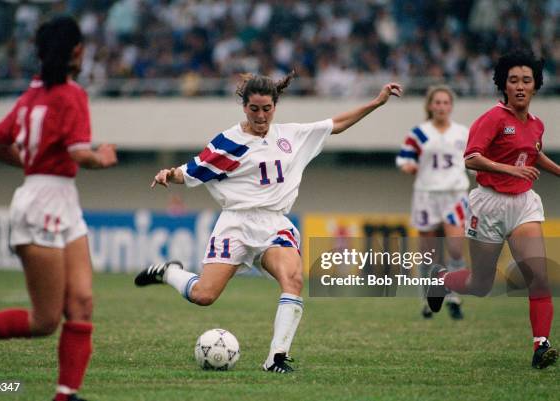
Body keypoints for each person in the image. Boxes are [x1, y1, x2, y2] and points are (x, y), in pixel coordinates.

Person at [134, 72, 402, 373]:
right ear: (244, 107)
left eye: (267, 109)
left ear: (275, 106)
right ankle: (170, 272)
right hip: (235, 224)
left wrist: (376, 103)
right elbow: (192, 170)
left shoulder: (291, 136)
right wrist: (169, 174)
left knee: (294, 279)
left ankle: (276, 358)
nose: (261, 116)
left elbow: (336, 124)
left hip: (274, 224)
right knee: (203, 296)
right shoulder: (228, 143)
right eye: (254, 109)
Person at [0, 16, 117, 401]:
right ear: (77, 51)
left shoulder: (31, 95)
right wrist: (101, 157)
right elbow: (78, 153)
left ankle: (65, 395)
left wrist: (31, 162)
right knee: (44, 321)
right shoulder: (70, 94)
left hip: (59, 198)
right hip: (43, 202)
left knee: (82, 302)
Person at [426, 49, 560, 369]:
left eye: (526, 80)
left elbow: (534, 153)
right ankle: (442, 280)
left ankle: (541, 345)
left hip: (524, 203)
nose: (520, 85)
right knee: (481, 284)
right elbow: (471, 158)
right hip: (488, 203)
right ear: (504, 84)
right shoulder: (492, 119)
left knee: (539, 276)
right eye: (513, 80)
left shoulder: (537, 124)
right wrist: (512, 170)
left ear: (535, 85)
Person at [396, 85, 470, 320]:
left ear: (451, 106)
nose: (441, 107)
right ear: (429, 106)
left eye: (445, 102)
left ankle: (453, 297)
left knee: (456, 248)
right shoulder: (419, 133)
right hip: (427, 195)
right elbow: (404, 158)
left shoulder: (463, 133)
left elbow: (475, 159)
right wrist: (409, 166)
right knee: (429, 254)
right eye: (437, 102)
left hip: (455, 194)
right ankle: (428, 299)